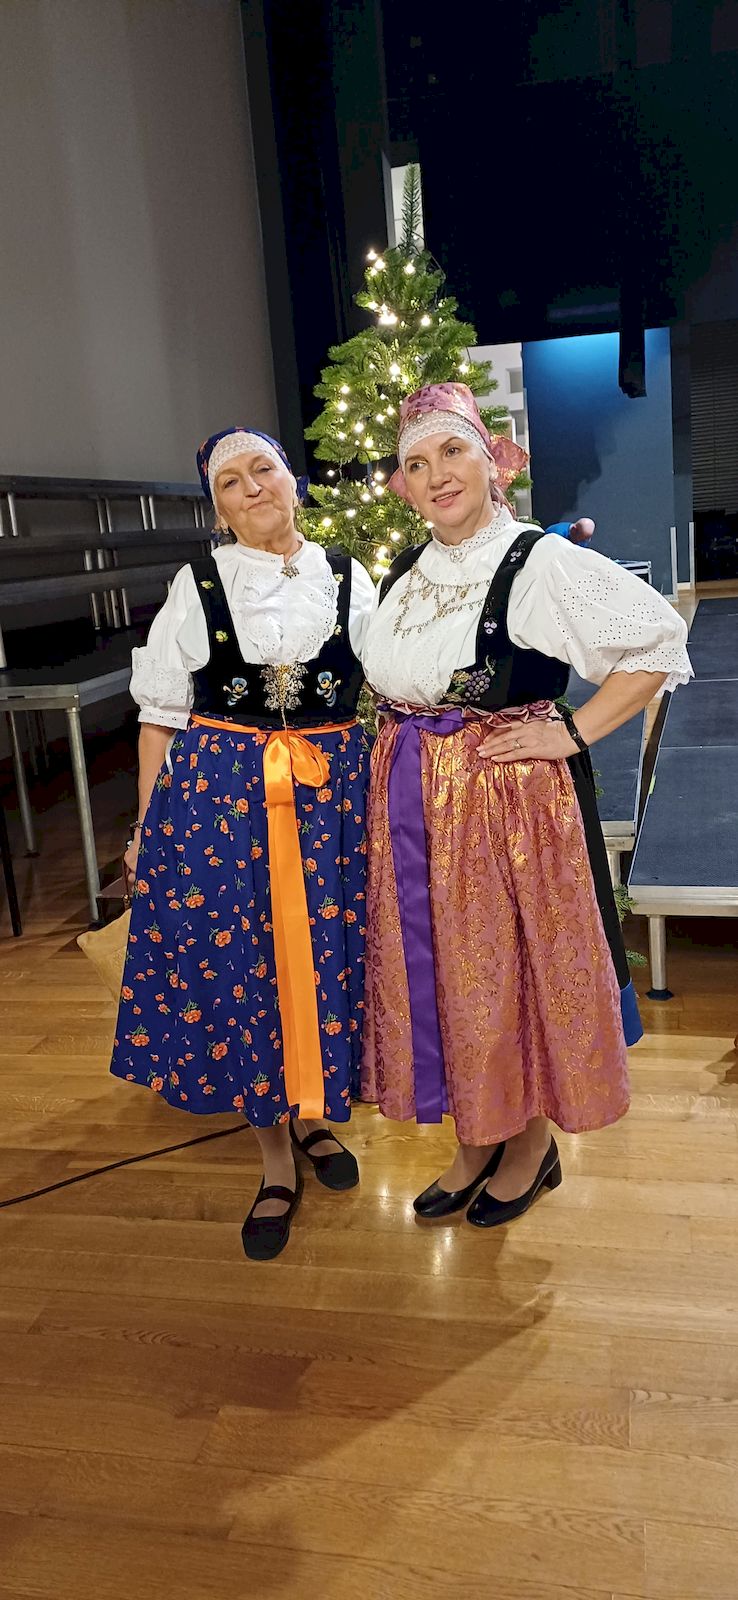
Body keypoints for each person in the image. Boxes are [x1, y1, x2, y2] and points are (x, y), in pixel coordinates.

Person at [361, 383, 692, 1228]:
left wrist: (572, 731)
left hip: (502, 806)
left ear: (491, 462)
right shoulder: (405, 571)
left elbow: (657, 640)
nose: (438, 475)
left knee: (505, 973)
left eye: (453, 452)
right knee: (443, 975)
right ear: (403, 485)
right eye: (416, 464)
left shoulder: (535, 561)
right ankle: (476, 1138)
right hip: (412, 801)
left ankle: (528, 1146)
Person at [110, 426, 375, 1260]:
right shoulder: (198, 585)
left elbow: (397, 677)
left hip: (331, 800)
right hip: (222, 805)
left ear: (294, 481)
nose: (253, 487)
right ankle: (274, 1157)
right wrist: (147, 830)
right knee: (247, 967)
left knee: (325, 956)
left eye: (265, 469)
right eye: (231, 481)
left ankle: (316, 1116)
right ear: (218, 509)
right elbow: (159, 717)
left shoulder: (349, 575)